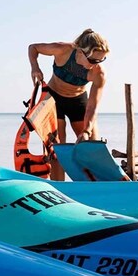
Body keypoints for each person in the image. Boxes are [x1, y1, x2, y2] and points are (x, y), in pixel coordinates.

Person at [27, 29, 109, 179]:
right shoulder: (62, 50)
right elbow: (33, 47)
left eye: (100, 60)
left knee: (92, 145)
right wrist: (35, 67)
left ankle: (96, 187)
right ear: (81, 51)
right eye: (93, 60)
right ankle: (60, 188)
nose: (95, 65)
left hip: (78, 100)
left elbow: (92, 106)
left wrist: (86, 130)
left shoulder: (99, 73)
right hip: (52, 99)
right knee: (56, 148)